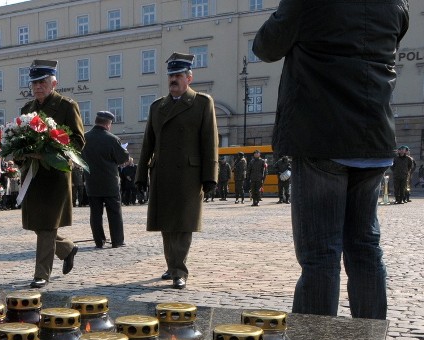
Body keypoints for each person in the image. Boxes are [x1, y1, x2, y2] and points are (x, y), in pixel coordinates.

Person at [253, 0, 408, 320]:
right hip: (374, 137)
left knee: (320, 256)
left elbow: (266, 46)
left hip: (322, 137)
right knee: (365, 249)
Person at [135, 52, 218, 290]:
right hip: (162, 173)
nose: (174, 79)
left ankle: (179, 270)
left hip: (188, 175)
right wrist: (141, 176)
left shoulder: (202, 103)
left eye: (179, 75)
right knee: (167, 224)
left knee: (182, 224)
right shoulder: (157, 107)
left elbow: (209, 142)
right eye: (171, 75)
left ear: (189, 78)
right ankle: (172, 266)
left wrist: (210, 177)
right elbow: (147, 143)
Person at [18, 59, 84, 289]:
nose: (37, 86)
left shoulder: (67, 106)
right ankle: (66, 248)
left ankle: (41, 274)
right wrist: (20, 154)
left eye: (42, 82)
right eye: (34, 82)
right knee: (37, 223)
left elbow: (77, 140)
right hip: (33, 176)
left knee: (46, 225)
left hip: (55, 175)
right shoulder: (27, 110)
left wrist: (50, 151)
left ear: (53, 83)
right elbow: (18, 141)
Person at [81, 110, 129, 248]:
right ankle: (117, 241)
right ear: (108, 124)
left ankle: (99, 241)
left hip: (91, 181)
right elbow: (123, 158)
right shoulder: (112, 138)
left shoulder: (85, 138)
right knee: (114, 212)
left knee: (95, 214)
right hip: (109, 182)